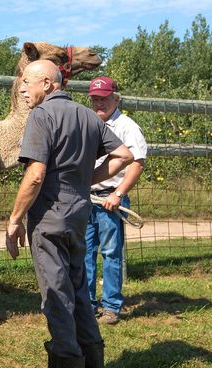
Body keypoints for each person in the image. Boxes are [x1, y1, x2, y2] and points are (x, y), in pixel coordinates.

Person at [5, 60, 133, 368]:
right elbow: (124, 156)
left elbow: (35, 175)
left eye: (27, 83)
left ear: (48, 84)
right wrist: (83, 180)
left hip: (49, 220)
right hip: (78, 217)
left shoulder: (42, 115)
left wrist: (14, 219)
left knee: (57, 298)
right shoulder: (89, 115)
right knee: (77, 291)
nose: (22, 89)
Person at [85, 76, 148, 325]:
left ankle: (111, 306)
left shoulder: (127, 126)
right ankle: (87, 304)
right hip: (88, 198)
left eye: (104, 98)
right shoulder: (90, 123)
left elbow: (137, 162)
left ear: (115, 98)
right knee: (84, 253)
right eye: (95, 99)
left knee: (111, 254)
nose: (99, 103)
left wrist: (118, 193)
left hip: (110, 199)